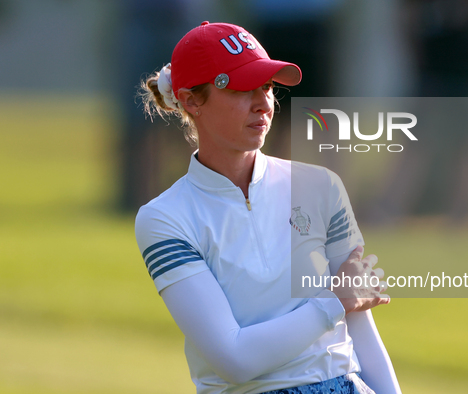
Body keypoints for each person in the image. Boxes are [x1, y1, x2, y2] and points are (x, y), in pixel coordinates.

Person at [134, 21, 401, 393]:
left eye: (267, 87)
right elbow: (234, 360)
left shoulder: (321, 186)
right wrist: (334, 303)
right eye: (243, 88)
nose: (263, 103)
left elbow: (361, 330)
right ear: (192, 100)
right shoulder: (165, 218)